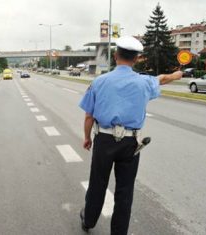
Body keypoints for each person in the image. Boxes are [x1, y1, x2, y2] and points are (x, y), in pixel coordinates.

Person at [79, 36, 182, 234]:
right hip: (131, 143)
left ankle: (89, 221)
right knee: (125, 191)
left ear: (115, 56)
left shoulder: (99, 82)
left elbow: (88, 116)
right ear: (136, 59)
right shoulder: (144, 83)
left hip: (104, 140)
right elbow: (163, 79)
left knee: (97, 184)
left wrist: (87, 138)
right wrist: (178, 74)